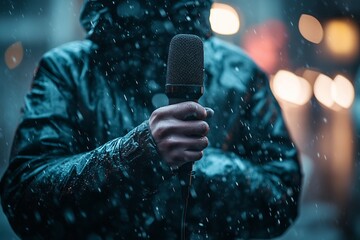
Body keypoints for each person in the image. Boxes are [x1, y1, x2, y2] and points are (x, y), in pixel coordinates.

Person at [0, 0, 302, 239]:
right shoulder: (66, 70)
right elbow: (24, 198)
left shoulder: (240, 74)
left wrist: (197, 168)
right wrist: (138, 154)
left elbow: (283, 196)